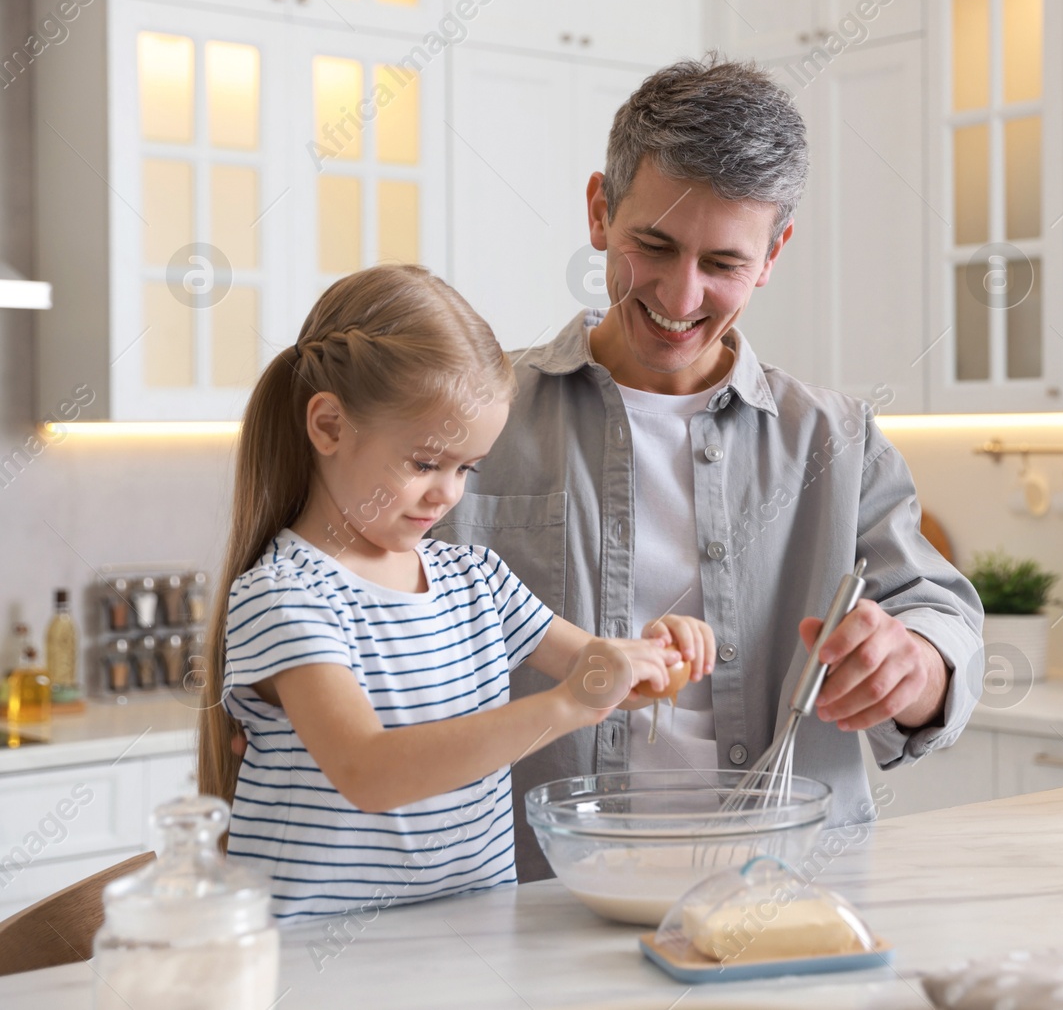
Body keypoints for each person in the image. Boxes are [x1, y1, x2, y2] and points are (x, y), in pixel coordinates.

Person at [437, 56, 985, 881]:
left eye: (723, 264)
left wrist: (916, 666)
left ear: (773, 253)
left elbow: (938, 616)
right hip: (534, 900)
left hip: (784, 896)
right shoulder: (479, 415)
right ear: (599, 210)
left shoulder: (834, 440)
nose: (681, 296)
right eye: (653, 245)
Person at [195, 265, 715, 920]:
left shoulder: (477, 579)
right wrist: (568, 703)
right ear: (328, 426)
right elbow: (368, 771)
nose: (450, 492)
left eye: (466, 467)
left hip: (473, 944)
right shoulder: (286, 595)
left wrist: (658, 655)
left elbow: (596, 669)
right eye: (424, 463)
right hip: (317, 968)